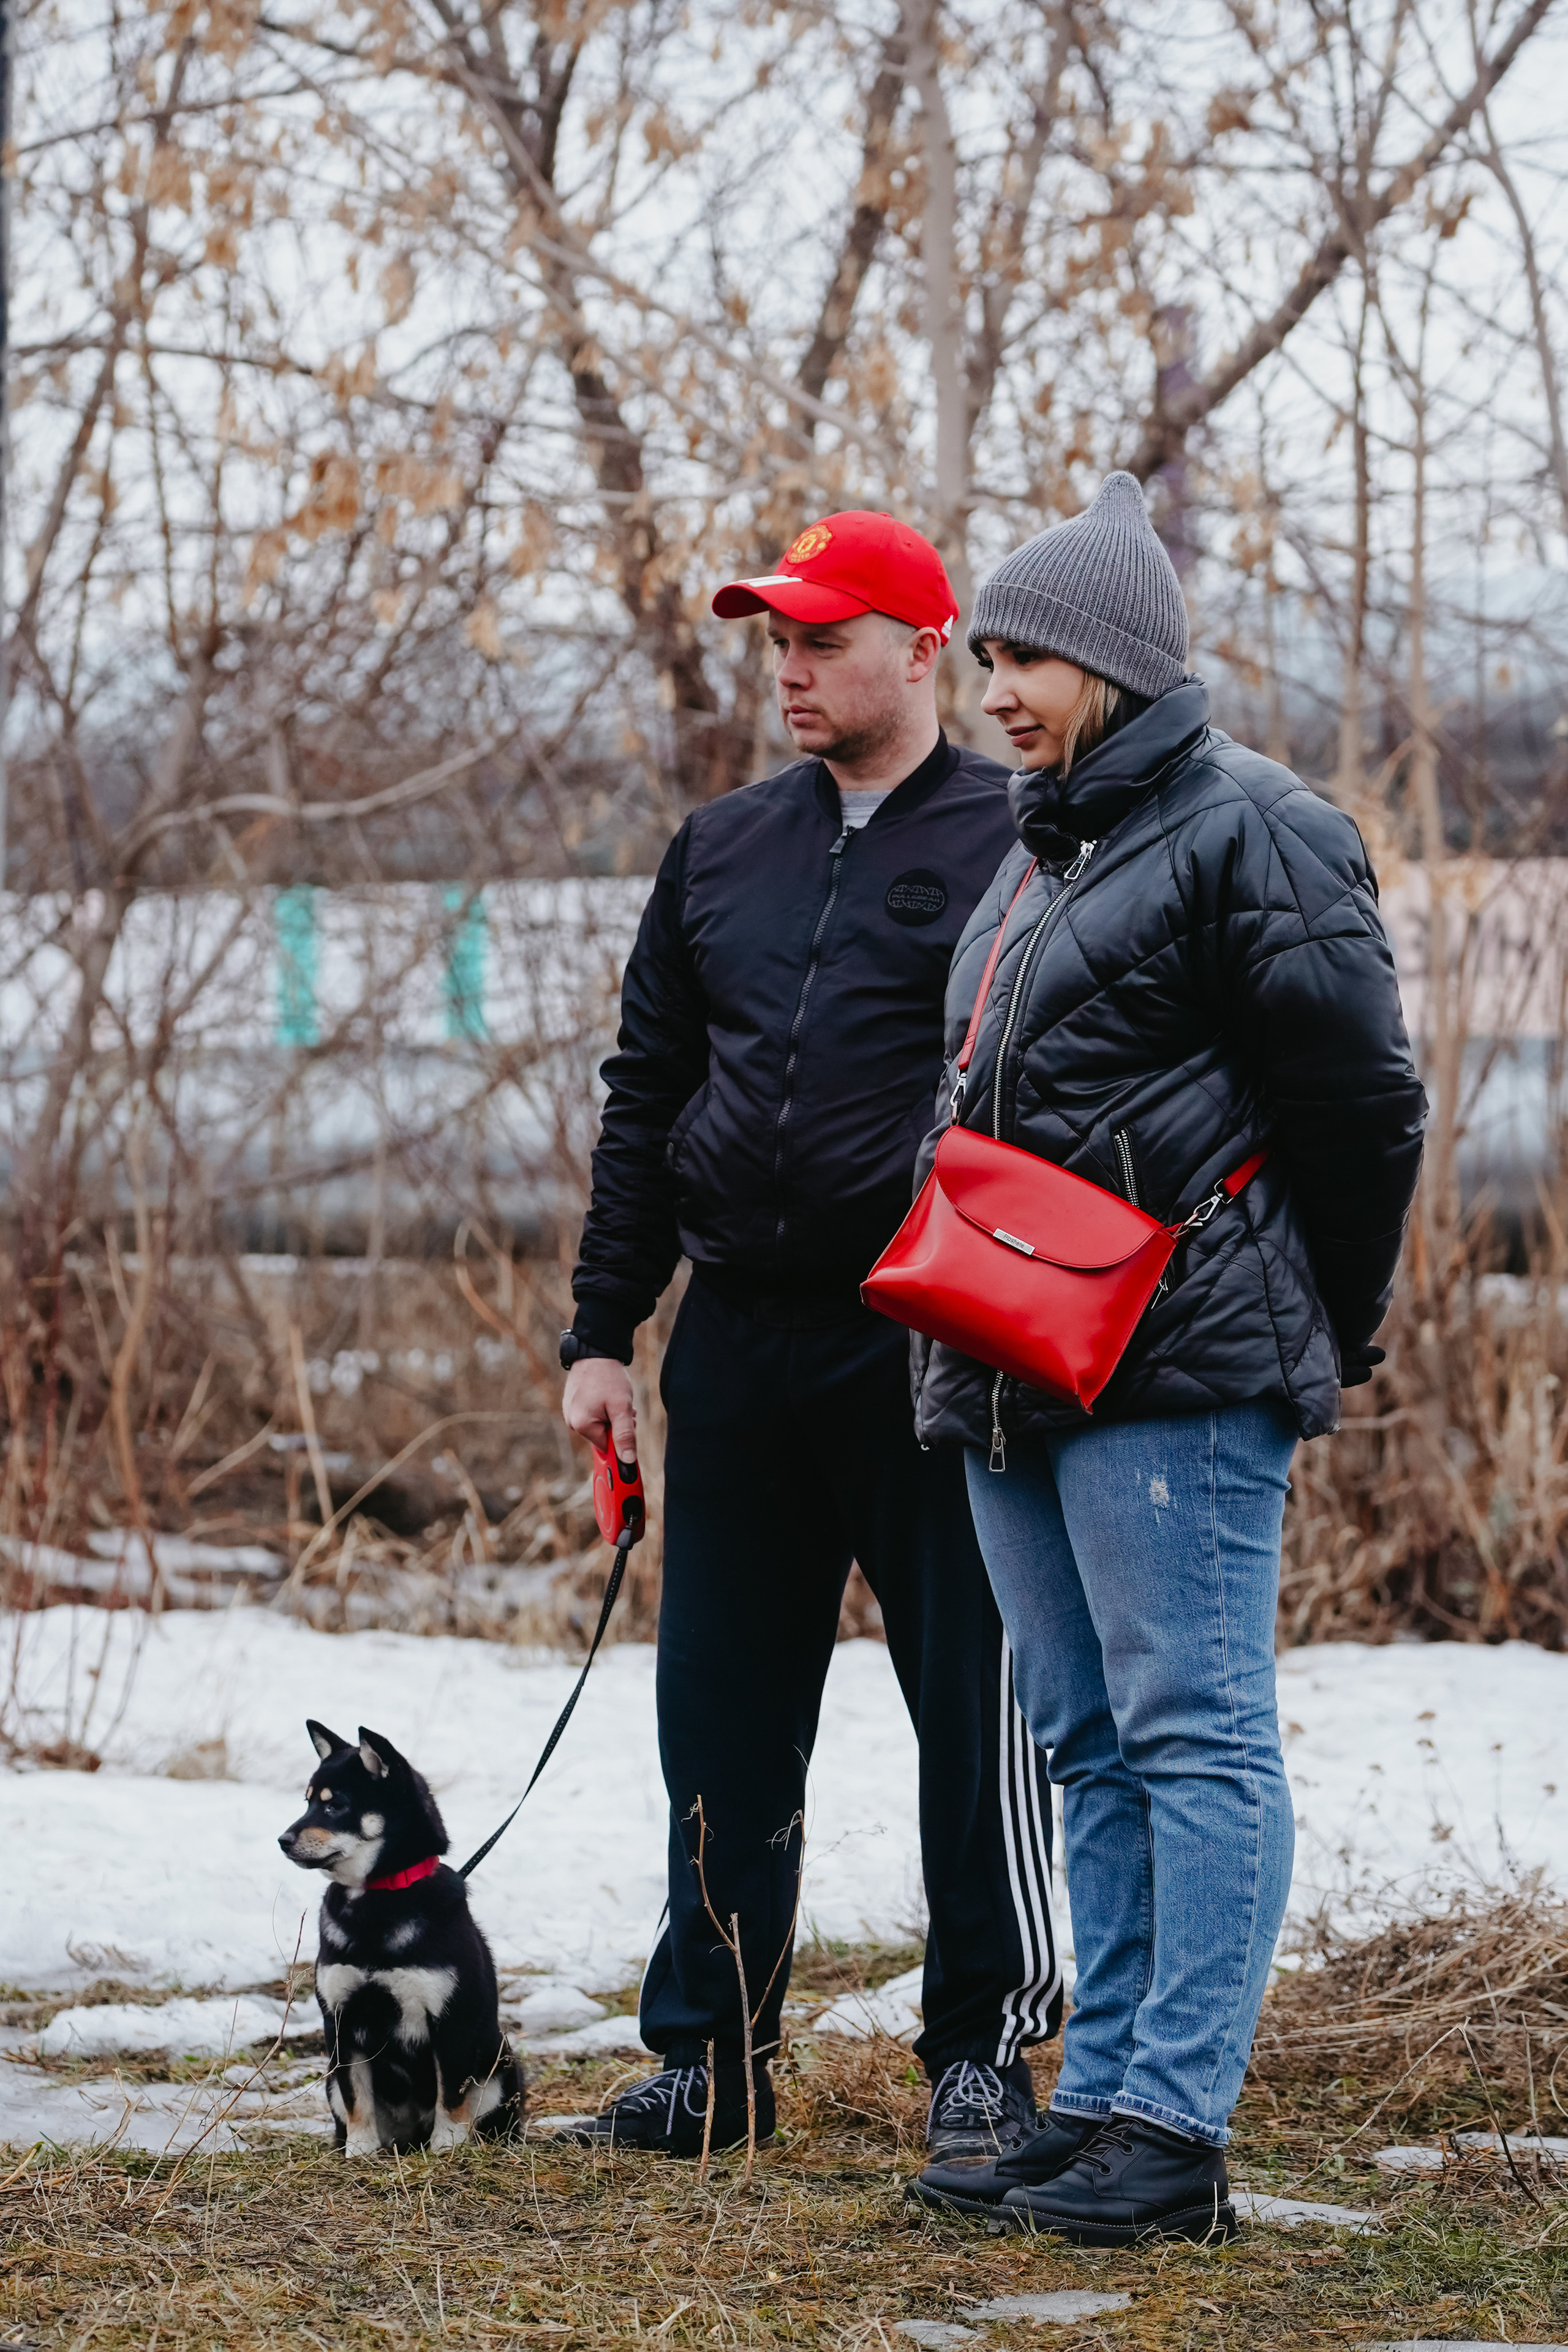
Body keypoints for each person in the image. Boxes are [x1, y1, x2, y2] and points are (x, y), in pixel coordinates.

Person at [908, 472, 1427, 2242]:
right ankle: (1109, 2090)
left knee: (1194, 1734)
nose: (992, 690)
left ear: (1115, 661)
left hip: (1177, 1367)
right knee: (1085, 1739)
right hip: (1004, 1363)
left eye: (1024, 655)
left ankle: (1179, 2128)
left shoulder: (1257, 828)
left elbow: (1364, 1108)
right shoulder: (1043, 845)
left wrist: (1310, 1324)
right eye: (983, 655)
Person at [557, 512, 1062, 2160]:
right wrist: (601, 1333)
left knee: (974, 1711)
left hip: (931, 1341)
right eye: (776, 638)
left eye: (825, 638)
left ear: (926, 650)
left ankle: (980, 2055)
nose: (789, 667)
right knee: (716, 1711)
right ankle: (713, 2062)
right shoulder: (720, 847)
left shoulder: (1022, 836)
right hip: (737, 1345)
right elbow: (647, 1100)